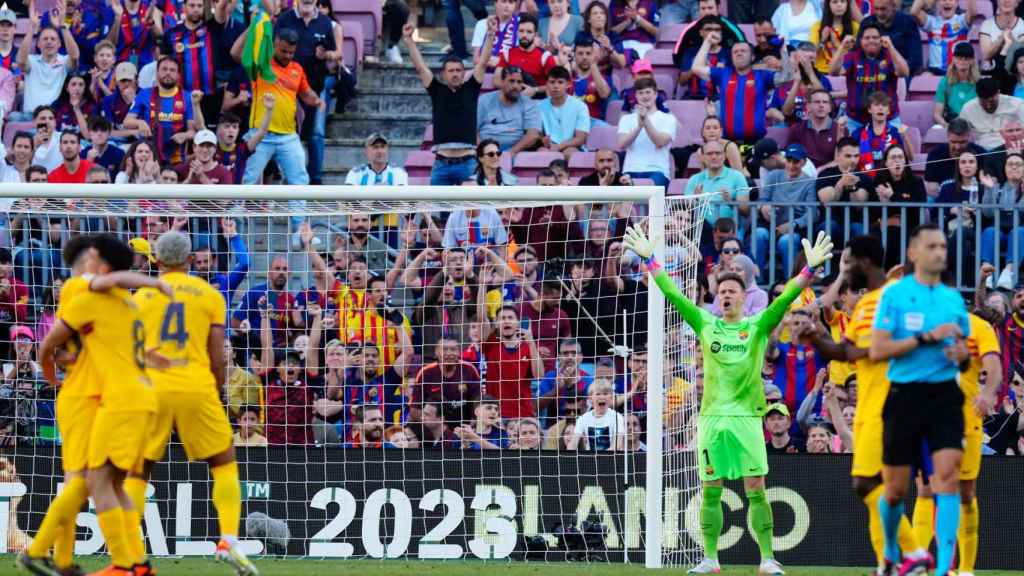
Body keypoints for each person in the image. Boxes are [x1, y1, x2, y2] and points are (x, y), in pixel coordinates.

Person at [624, 223, 832, 576]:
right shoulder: (706, 324)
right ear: (717, 297)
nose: (726, 296)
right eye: (722, 292)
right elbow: (673, 295)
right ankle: (710, 559)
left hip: (748, 420)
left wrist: (808, 270)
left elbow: (784, 299)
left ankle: (767, 559)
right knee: (710, 491)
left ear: (742, 295)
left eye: (733, 291)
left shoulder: (757, 327)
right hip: (712, 420)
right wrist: (650, 261)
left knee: (756, 489)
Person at [16, 236, 162, 576]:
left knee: (89, 482)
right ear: (94, 260)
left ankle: (67, 561)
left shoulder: (114, 302)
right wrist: (54, 378)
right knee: (84, 482)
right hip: (83, 395)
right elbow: (54, 347)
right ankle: (44, 552)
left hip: (103, 395)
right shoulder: (82, 288)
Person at [123, 231, 257, 576]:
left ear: (157, 260)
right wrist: (215, 390)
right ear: (190, 260)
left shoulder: (141, 298)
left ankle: (129, 552)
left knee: (140, 469)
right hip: (196, 385)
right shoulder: (209, 295)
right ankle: (228, 538)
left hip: (152, 388)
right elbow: (216, 355)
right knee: (223, 461)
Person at [806, 235, 932, 574]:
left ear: (863, 263)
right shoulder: (866, 306)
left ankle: (912, 552)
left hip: (890, 407)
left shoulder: (886, 301)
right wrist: (815, 333)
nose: (844, 268)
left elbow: (864, 351)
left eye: (848, 261)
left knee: (867, 483)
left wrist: (816, 333)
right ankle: (887, 561)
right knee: (878, 488)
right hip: (872, 406)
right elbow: (843, 349)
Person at [869, 223, 977, 576]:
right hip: (904, 396)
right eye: (932, 246)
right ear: (914, 253)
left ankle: (943, 568)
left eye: (943, 246)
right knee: (896, 490)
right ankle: (889, 552)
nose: (939, 252)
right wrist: (928, 337)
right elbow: (879, 349)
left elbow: (965, 355)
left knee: (946, 478)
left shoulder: (952, 299)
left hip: (945, 397)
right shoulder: (895, 295)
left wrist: (960, 355)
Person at [910, 308, 1001, 576]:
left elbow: (994, 366)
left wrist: (988, 393)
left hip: (965, 421)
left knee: (966, 493)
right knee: (925, 489)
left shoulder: (979, 327)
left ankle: (965, 569)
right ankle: (918, 564)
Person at [406, 20, 494, 185]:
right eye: (451, 71)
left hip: (468, 163)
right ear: (444, 74)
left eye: (458, 70)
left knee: (471, 210)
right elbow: (420, 67)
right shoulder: (437, 90)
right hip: (441, 165)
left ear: (463, 73)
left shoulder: (471, 88)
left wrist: (490, 35)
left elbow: (483, 62)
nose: (455, 74)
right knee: (439, 210)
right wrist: (409, 41)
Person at [235, 28, 323, 186]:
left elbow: (305, 92)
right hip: (260, 136)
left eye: (291, 52)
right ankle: (235, 211)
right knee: (247, 181)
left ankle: (299, 212)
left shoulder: (297, 69)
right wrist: (251, 29)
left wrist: (317, 100)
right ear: (275, 45)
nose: (288, 56)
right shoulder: (261, 64)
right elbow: (236, 54)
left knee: (300, 182)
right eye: (284, 51)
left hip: (288, 136)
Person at [123, 57, 203, 166]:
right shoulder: (144, 94)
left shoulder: (188, 97)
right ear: (157, 73)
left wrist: (184, 135)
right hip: (147, 157)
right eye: (164, 69)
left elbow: (194, 132)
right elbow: (127, 122)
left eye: (172, 70)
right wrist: (139, 123)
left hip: (176, 159)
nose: (168, 73)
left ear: (178, 75)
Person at [693, 39, 775, 143]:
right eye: (735, 52)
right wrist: (707, 42)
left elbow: (787, 77)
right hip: (728, 143)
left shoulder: (763, 75)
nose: (739, 53)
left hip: (756, 142)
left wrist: (783, 51)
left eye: (743, 51)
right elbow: (696, 68)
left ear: (753, 57)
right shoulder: (723, 74)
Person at [757, 143, 819, 277]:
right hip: (771, 222)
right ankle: (758, 280)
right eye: (789, 160)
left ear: (804, 162)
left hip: (794, 226)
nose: (791, 165)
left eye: (796, 161)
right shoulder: (774, 175)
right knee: (759, 234)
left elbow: (813, 212)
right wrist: (763, 207)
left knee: (787, 241)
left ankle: (790, 284)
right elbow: (763, 198)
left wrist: (792, 225)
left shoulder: (809, 182)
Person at [16, 6, 80, 118]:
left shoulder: (64, 61)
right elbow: (21, 61)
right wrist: (31, 29)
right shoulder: (31, 60)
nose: (49, 42)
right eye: (45, 39)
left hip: (55, 117)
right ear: (38, 44)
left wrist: (63, 26)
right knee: (14, 117)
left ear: (59, 44)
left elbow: (75, 56)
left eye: (53, 39)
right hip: (30, 116)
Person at [616, 76, 676, 186]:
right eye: (641, 93)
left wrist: (645, 120)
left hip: (657, 171)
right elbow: (621, 144)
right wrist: (639, 126)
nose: (645, 96)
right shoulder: (626, 119)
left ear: (656, 94)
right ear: (636, 96)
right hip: (630, 170)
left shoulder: (668, 118)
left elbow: (660, 142)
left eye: (648, 92)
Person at [874, 146, 928, 268]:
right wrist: (883, 204)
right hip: (883, 226)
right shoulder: (879, 180)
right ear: (886, 162)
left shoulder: (916, 181)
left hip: (910, 226)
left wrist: (892, 196)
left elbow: (919, 205)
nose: (897, 161)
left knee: (898, 236)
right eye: (893, 158)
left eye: (900, 157)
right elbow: (873, 210)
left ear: (905, 161)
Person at [477, 66, 542, 153]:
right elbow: (471, 129)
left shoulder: (528, 103)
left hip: (516, 151)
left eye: (519, 82)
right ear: (502, 82)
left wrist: (511, 152)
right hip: (485, 149)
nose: (515, 86)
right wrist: (484, 151)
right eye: (511, 81)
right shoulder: (485, 100)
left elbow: (533, 135)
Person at [684, 140, 749, 227]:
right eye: (709, 154)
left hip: (729, 232)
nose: (714, 157)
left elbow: (746, 211)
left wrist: (730, 201)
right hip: (701, 232)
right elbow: (685, 211)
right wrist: (696, 200)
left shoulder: (737, 177)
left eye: (718, 153)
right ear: (702, 157)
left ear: (724, 156)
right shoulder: (694, 179)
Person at [494, 13, 558, 95]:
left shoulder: (545, 57)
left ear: (535, 34)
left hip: (536, 101)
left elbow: (555, 84)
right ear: (517, 33)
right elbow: (496, 81)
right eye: (521, 31)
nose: (524, 35)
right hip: (511, 99)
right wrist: (513, 89)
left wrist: (535, 90)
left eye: (529, 32)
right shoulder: (507, 54)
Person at [924, 117, 987, 197]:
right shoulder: (935, 154)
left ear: (969, 136)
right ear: (947, 136)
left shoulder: (981, 154)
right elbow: (932, 189)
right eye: (953, 142)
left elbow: (986, 186)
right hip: (943, 198)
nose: (957, 147)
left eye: (962, 142)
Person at [851, 91, 911, 175]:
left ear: (888, 111)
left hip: (890, 179)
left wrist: (905, 136)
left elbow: (910, 158)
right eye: (876, 105)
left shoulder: (894, 132)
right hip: (865, 180)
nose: (880, 108)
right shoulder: (858, 133)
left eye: (884, 105)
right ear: (869, 109)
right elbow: (847, 158)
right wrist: (840, 130)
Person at [860, 0, 925, 76]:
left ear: (894, 7)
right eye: (876, 9)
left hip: (900, 75)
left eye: (883, 9)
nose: (879, 13)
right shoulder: (867, 23)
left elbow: (915, 62)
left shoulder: (908, 22)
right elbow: (857, 53)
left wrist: (890, 68)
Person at [958, 76, 1024, 149]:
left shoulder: (1016, 104)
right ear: (978, 96)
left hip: (1012, 148)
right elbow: (960, 132)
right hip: (981, 150)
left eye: (992, 101)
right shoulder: (968, 109)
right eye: (983, 102)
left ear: (998, 93)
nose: (988, 106)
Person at [538, 65, 589, 159]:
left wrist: (559, 146)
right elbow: (537, 133)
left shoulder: (580, 106)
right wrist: (543, 140)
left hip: (572, 146)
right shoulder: (539, 106)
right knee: (541, 153)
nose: (556, 86)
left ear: (568, 84)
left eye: (560, 82)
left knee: (571, 153)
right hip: (549, 147)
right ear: (547, 84)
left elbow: (580, 138)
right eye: (552, 82)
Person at [911, 0, 975, 75]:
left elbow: (973, 13)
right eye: (943, 0)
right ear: (937, 4)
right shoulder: (932, 22)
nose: (947, 2)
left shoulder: (961, 20)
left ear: (957, 4)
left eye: (951, 0)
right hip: (936, 72)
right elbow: (914, 12)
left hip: (958, 71)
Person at [678, 16, 731, 100]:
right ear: (701, 32)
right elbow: (682, 81)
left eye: (717, 30)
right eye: (709, 29)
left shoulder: (729, 53)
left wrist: (720, 72)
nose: (713, 33)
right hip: (692, 98)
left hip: (719, 99)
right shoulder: (691, 52)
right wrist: (696, 69)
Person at [787, 88, 843, 167]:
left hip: (830, 174)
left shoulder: (840, 129)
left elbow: (842, 160)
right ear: (808, 107)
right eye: (817, 102)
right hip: (804, 173)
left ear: (830, 108)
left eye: (825, 102)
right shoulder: (797, 129)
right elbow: (790, 157)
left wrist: (821, 170)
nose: (821, 105)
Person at [567, 379, 626, 450]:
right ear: (590, 398)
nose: (602, 397)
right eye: (598, 394)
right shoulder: (583, 419)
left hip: (611, 459)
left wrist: (601, 458)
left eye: (605, 394)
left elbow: (617, 444)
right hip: (590, 459)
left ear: (611, 397)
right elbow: (573, 443)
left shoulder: (617, 417)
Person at [934, 42, 981, 127]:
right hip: (951, 122)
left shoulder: (979, 83)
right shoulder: (945, 82)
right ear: (954, 59)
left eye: (966, 58)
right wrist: (946, 125)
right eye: (959, 58)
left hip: (973, 123)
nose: (962, 61)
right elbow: (937, 114)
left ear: (972, 60)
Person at [571, 33, 614, 124]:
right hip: (571, 123)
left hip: (593, 125)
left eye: (588, 53)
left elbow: (604, 94)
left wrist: (593, 64)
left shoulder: (601, 76)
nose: (584, 57)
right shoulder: (569, 75)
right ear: (574, 55)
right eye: (580, 53)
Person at [810, 0, 860, 74]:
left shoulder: (855, 26)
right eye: (835, 2)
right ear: (828, 5)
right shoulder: (817, 26)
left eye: (842, 1)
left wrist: (836, 44)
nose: (839, 5)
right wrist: (822, 41)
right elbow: (812, 55)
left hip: (846, 72)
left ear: (847, 5)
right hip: (822, 72)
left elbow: (857, 56)